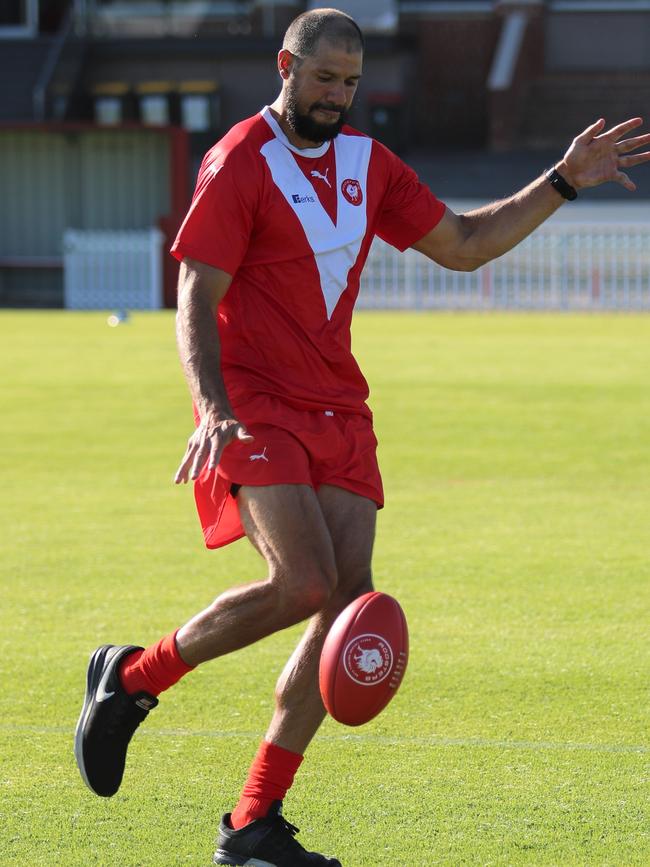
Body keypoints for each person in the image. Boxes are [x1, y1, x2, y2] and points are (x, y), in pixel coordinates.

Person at [74, 7, 650, 866]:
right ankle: (133, 678)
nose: (338, 96)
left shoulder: (367, 164)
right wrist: (212, 404)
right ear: (286, 66)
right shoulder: (240, 160)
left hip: (339, 410)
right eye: (323, 78)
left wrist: (561, 180)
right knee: (303, 581)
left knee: (347, 605)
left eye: (350, 82)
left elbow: (462, 243)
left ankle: (252, 824)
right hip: (255, 402)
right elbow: (196, 293)